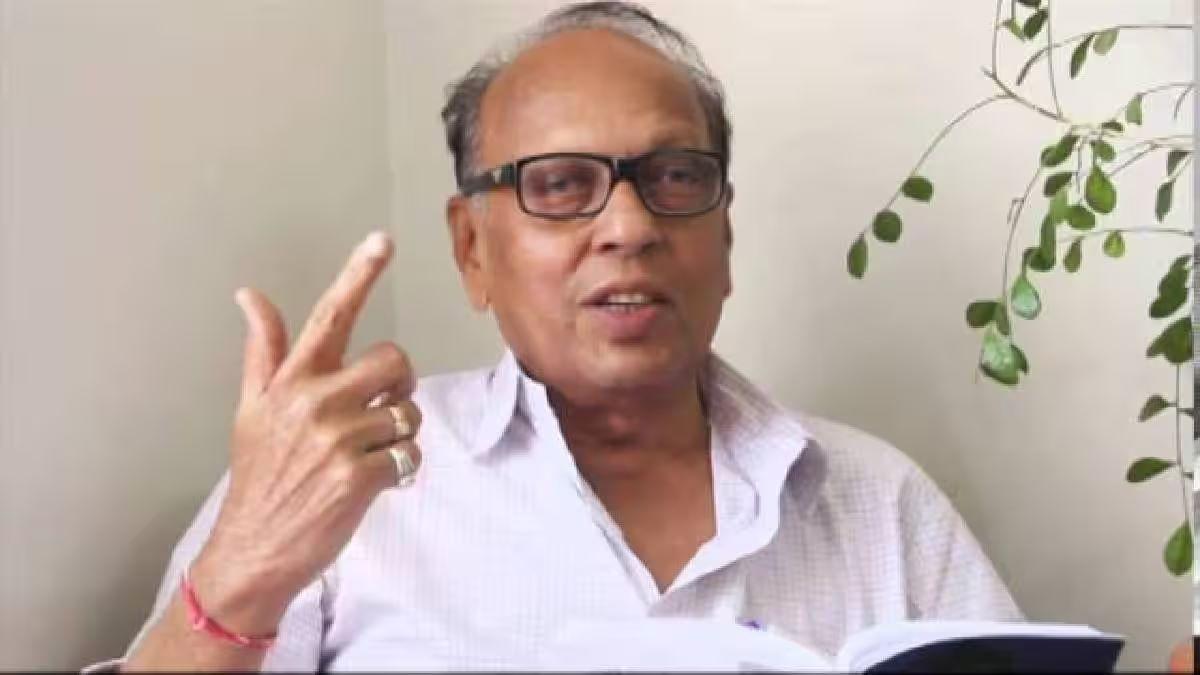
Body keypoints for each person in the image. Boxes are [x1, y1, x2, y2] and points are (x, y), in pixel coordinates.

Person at [100, 2, 1024, 671]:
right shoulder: (340, 488)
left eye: (674, 176)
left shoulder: (881, 504)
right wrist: (241, 574)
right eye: (560, 184)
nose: (629, 225)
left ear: (725, 236)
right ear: (472, 249)